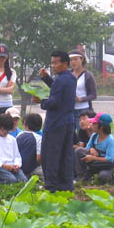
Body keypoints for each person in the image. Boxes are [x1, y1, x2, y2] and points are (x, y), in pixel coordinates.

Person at [34, 49, 77, 192]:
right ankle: (66, 185)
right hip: (68, 121)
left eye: (56, 63)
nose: (53, 66)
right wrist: (47, 78)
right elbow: (59, 90)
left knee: (50, 155)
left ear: (65, 63)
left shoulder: (61, 80)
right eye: (51, 63)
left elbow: (55, 102)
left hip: (56, 122)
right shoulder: (70, 78)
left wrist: (40, 101)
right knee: (66, 155)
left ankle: (51, 186)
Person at [75, 113, 114, 183]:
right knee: (79, 150)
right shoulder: (94, 136)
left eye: (94, 124)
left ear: (101, 127)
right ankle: (81, 176)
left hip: (105, 165)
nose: (92, 125)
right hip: (94, 164)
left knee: (103, 177)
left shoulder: (110, 140)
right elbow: (87, 148)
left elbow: (109, 159)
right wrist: (91, 149)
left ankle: (110, 176)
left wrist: (93, 158)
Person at [0, 113, 27, 184]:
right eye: (4, 130)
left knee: (23, 180)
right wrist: (3, 165)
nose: (6, 133)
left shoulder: (12, 139)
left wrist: (17, 165)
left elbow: (17, 156)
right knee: (11, 180)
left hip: (12, 166)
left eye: (8, 131)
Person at [70, 50, 97, 122]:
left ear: (82, 59)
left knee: (82, 132)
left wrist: (81, 99)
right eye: (71, 60)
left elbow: (93, 95)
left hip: (83, 109)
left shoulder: (88, 75)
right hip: (70, 109)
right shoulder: (68, 74)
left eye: (76, 59)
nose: (73, 62)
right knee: (70, 132)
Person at [16, 113, 44, 180]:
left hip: (18, 167)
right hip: (32, 169)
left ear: (26, 125)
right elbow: (38, 159)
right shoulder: (39, 139)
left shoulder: (19, 135)